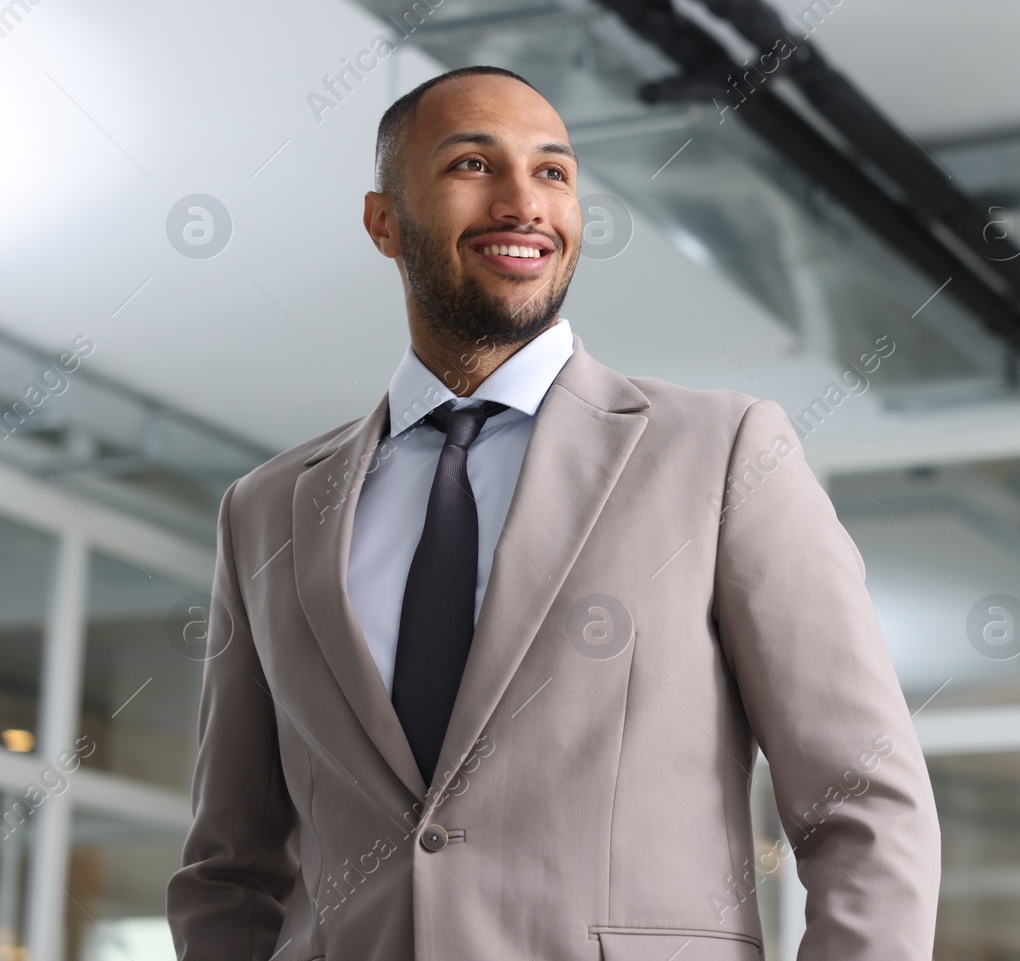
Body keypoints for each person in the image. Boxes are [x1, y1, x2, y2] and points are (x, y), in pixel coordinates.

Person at [166, 65, 940, 960]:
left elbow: (866, 808)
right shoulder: (267, 510)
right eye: (471, 164)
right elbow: (230, 866)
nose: (523, 202)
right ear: (385, 221)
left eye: (554, 172)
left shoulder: (724, 452)